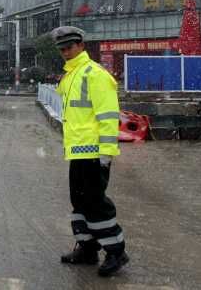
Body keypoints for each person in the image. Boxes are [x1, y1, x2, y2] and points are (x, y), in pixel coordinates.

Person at [51, 26, 129, 277]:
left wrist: (106, 153)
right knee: (80, 202)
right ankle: (87, 248)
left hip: (94, 153)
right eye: (61, 48)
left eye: (69, 47)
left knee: (96, 204)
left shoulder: (94, 74)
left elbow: (108, 116)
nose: (65, 52)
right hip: (77, 152)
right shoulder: (70, 75)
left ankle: (116, 251)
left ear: (81, 45)